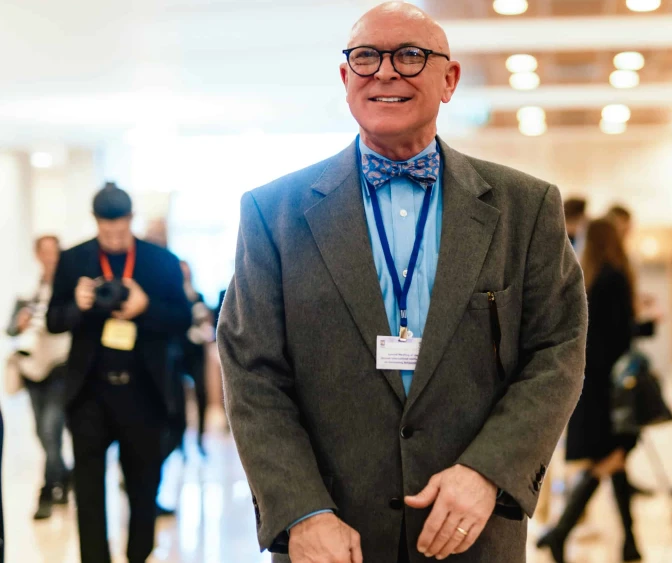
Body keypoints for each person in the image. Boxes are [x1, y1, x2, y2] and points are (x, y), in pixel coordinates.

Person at [216, 3, 587, 562]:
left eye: (410, 55)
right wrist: (301, 510)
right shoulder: (275, 213)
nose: (385, 72)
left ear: (450, 79)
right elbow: (252, 372)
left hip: (471, 527)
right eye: (366, 57)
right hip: (330, 535)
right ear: (346, 79)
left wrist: (489, 470)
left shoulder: (525, 207)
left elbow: (557, 352)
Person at [46, 183, 191, 563]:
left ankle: (139, 555)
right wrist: (76, 306)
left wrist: (145, 306)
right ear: (95, 223)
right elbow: (53, 320)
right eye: (105, 231)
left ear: (131, 220)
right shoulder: (74, 259)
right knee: (89, 494)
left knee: (144, 489)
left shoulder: (160, 261)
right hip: (88, 394)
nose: (113, 238)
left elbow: (183, 320)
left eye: (121, 230)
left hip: (144, 392)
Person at [536, 218, 643, 563]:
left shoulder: (588, 277)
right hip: (612, 387)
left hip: (590, 383)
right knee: (613, 457)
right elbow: (620, 335)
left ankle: (630, 542)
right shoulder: (615, 276)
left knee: (615, 460)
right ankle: (562, 531)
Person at [6, 235, 72, 519]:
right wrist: (18, 323)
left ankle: (47, 490)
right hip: (32, 369)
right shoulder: (27, 291)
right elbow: (10, 328)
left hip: (60, 367)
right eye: (44, 252)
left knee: (50, 429)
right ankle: (64, 476)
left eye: (54, 252)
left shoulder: (67, 289)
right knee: (41, 433)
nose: (50, 257)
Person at [179, 260, 213, 455]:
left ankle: (200, 437)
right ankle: (181, 440)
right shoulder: (175, 295)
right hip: (180, 352)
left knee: (201, 392)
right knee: (178, 397)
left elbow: (206, 319)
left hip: (197, 352)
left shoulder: (197, 295)